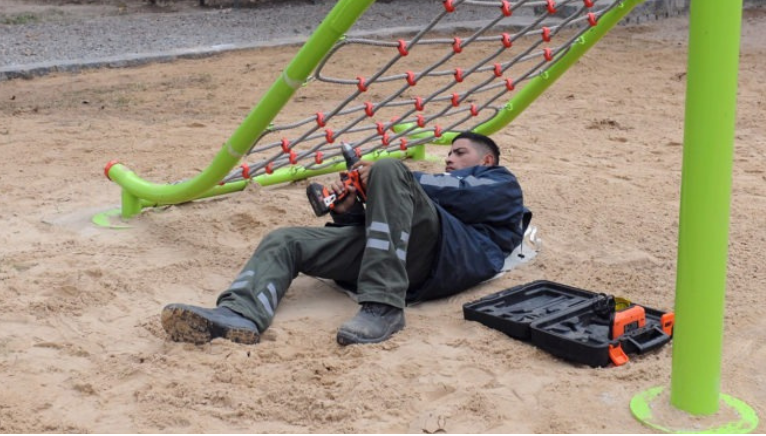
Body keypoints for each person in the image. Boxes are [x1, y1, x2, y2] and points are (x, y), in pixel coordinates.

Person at [161, 131, 528, 346]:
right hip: (406, 252)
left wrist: (385, 175)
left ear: (488, 159)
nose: (448, 159)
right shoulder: (438, 189)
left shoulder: (502, 186)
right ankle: (240, 314)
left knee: (387, 167)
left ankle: (384, 307)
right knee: (286, 239)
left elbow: (453, 194)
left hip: (445, 257)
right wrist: (350, 209)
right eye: (448, 153)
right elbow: (386, 226)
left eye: (459, 153)